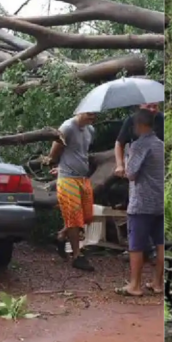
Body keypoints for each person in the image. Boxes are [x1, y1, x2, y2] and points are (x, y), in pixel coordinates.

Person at [116, 108, 165, 296]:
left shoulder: (139, 145)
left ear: (139, 126)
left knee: (136, 244)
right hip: (160, 201)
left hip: (142, 202)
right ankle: (157, 282)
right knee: (161, 243)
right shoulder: (160, 144)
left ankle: (134, 285)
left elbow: (131, 174)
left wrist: (126, 161)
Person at [44, 111, 97, 272]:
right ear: (79, 112)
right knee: (74, 217)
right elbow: (54, 153)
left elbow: (80, 152)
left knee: (87, 216)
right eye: (89, 114)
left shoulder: (90, 130)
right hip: (67, 178)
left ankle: (60, 235)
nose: (92, 118)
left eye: (94, 115)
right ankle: (77, 256)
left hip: (82, 177)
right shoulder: (67, 127)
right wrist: (57, 165)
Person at [114, 102, 163, 178]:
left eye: (155, 106)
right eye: (148, 106)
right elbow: (119, 143)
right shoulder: (131, 121)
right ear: (141, 106)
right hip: (137, 165)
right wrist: (119, 165)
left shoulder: (162, 119)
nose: (152, 110)